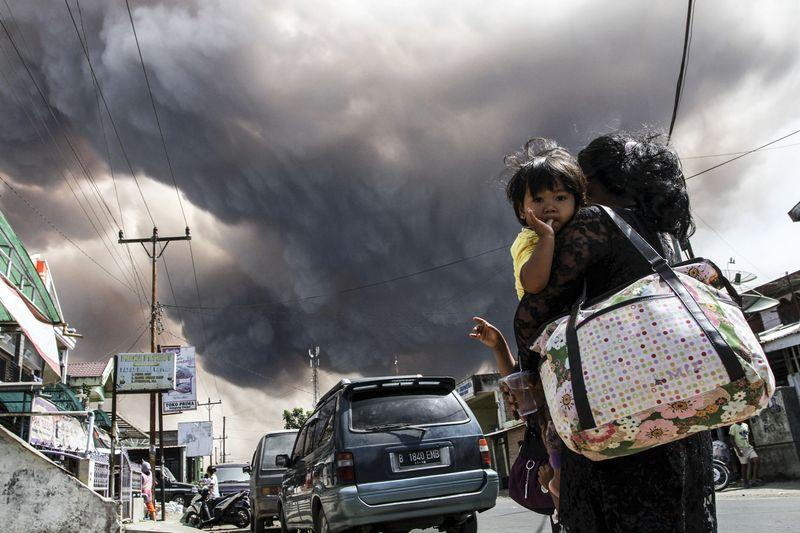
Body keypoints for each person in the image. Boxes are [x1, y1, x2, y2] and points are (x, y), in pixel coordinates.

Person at [472, 132, 715, 532]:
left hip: (616, 421)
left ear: (599, 183)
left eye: (575, 186)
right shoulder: (663, 239)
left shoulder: (594, 226)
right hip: (680, 418)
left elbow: (534, 314)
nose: (568, 199)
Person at [507, 138, 587, 299]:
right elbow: (533, 284)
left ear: (577, 202)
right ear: (522, 209)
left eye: (560, 198)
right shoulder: (529, 239)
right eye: (538, 200)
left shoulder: (582, 229)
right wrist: (546, 237)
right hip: (549, 320)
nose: (550, 207)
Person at [729, 421, 761, 487]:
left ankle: (754, 479)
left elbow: (748, 435)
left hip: (748, 447)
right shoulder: (733, 427)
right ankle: (745, 482)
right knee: (744, 465)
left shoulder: (745, 425)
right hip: (740, 448)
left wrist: (751, 444)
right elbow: (732, 439)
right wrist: (738, 450)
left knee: (757, 460)